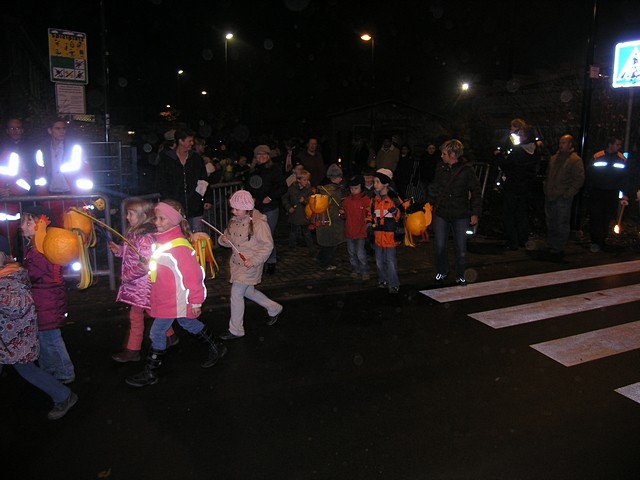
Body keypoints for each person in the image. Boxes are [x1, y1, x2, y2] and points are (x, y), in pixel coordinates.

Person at [125, 200, 226, 387]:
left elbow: (194, 276)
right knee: (187, 322)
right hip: (165, 296)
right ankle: (216, 347)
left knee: (156, 332)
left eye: (162, 218)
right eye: (156, 218)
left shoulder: (179, 247)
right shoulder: (162, 241)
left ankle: (151, 372)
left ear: (174, 221)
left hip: (175, 299)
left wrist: (196, 302)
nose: (157, 222)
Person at [0, 252, 78, 420]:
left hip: (15, 339)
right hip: (7, 339)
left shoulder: (12, 279)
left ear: (4, 255)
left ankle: (64, 394)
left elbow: (19, 306)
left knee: (28, 368)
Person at [109, 197, 179, 362]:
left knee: (137, 316)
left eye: (131, 214)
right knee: (152, 311)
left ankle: (133, 350)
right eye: (127, 213)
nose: (127, 217)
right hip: (138, 284)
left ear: (142, 216)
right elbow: (132, 256)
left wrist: (126, 276)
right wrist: (119, 250)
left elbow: (146, 264)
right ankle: (170, 335)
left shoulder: (145, 238)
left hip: (143, 285)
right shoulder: (134, 233)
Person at [217, 190, 283, 340]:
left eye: (237, 209)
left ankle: (236, 330)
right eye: (232, 208)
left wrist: (253, 261)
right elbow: (227, 238)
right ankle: (275, 308)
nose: (233, 211)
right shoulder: (234, 221)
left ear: (246, 208)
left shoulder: (259, 224)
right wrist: (223, 240)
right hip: (237, 264)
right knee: (248, 292)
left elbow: (267, 246)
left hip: (250, 265)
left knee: (236, 293)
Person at [20, 206, 75, 384]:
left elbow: (36, 274)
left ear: (41, 225)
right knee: (42, 336)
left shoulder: (42, 249)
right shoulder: (35, 247)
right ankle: (49, 368)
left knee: (52, 338)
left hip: (47, 302)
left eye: (29, 222)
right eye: (23, 222)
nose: (23, 226)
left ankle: (65, 371)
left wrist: (20, 273)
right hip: (42, 300)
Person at [428, 139, 482, 286]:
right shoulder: (440, 168)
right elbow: (435, 187)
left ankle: (460, 274)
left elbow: (476, 192)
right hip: (441, 212)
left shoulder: (467, 170)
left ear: (452, 154)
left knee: (461, 247)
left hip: (460, 213)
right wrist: (430, 203)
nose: (441, 156)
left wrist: (475, 212)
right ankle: (442, 270)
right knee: (439, 245)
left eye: (444, 153)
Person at [155, 129, 212, 233]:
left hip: (195, 208)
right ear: (181, 141)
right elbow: (162, 183)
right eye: (189, 141)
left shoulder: (196, 158)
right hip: (175, 209)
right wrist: (170, 202)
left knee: (197, 237)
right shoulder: (167, 160)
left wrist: (204, 198)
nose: (192, 143)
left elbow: (203, 180)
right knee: (178, 235)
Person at [245, 144, 287, 275]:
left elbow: (282, 187)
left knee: (267, 236)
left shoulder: (275, 169)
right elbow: (248, 187)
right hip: (255, 209)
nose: (262, 156)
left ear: (269, 156)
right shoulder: (252, 170)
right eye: (259, 154)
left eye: (265, 154)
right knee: (256, 236)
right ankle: (260, 262)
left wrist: (270, 197)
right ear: (255, 156)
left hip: (270, 208)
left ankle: (271, 261)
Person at [498, 124, 540, 250]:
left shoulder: (518, 151)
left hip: (513, 186)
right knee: (521, 213)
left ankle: (512, 241)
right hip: (526, 187)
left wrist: (500, 157)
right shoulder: (535, 151)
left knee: (509, 214)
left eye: (521, 135)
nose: (519, 137)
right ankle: (523, 238)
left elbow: (507, 165)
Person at [543, 134, 585, 256]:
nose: (561, 145)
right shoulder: (554, 158)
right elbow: (548, 175)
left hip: (562, 197)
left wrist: (568, 193)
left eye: (564, 143)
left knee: (561, 221)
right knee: (551, 221)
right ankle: (552, 244)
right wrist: (546, 187)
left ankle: (558, 247)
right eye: (560, 143)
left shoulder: (575, 160)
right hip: (551, 194)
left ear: (570, 144)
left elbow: (578, 179)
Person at [585, 135, 628, 253]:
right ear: (610, 144)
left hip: (611, 192)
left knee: (606, 217)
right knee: (595, 217)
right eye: (617, 144)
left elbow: (624, 178)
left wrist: (623, 194)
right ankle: (595, 241)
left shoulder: (621, 159)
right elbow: (589, 174)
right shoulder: (598, 156)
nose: (619, 147)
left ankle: (601, 241)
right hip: (597, 191)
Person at [369, 168, 403, 293]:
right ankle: (382, 279)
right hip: (378, 234)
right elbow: (370, 213)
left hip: (390, 235)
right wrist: (369, 222)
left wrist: (396, 212)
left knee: (391, 261)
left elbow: (401, 215)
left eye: (377, 182)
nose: (375, 185)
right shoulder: (374, 199)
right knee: (379, 260)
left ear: (386, 183)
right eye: (374, 182)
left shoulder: (393, 198)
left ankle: (394, 283)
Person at [315, 163, 347, 271]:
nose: (341, 179)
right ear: (335, 178)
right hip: (332, 222)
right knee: (331, 245)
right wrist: (340, 212)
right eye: (339, 177)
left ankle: (322, 259)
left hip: (324, 220)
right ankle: (324, 263)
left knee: (327, 244)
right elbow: (333, 207)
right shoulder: (334, 191)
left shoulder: (323, 189)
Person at [342, 175, 371, 280]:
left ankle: (364, 270)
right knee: (352, 253)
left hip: (361, 232)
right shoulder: (347, 201)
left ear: (361, 187)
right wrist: (342, 214)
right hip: (350, 231)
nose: (353, 191)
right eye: (351, 189)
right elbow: (345, 215)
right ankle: (355, 269)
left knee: (360, 253)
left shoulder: (366, 200)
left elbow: (369, 215)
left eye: (356, 188)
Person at [282, 168, 314, 251]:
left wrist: (305, 201)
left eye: (307, 180)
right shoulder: (292, 189)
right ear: (299, 180)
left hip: (304, 215)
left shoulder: (309, 190)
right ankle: (291, 247)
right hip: (295, 214)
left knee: (307, 233)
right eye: (304, 180)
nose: (306, 182)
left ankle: (311, 248)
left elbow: (312, 201)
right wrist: (288, 207)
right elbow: (285, 198)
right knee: (293, 232)